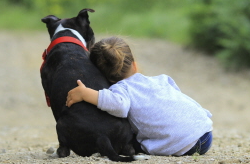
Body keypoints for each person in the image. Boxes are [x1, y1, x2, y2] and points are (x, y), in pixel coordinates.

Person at [66, 36, 213, 156]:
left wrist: (86, 94)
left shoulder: (121, 89)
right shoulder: (161, 79)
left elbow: (119, 105)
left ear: (103, 78)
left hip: (186, 145)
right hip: (205, 132)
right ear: (134, 65)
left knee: (131, 142)